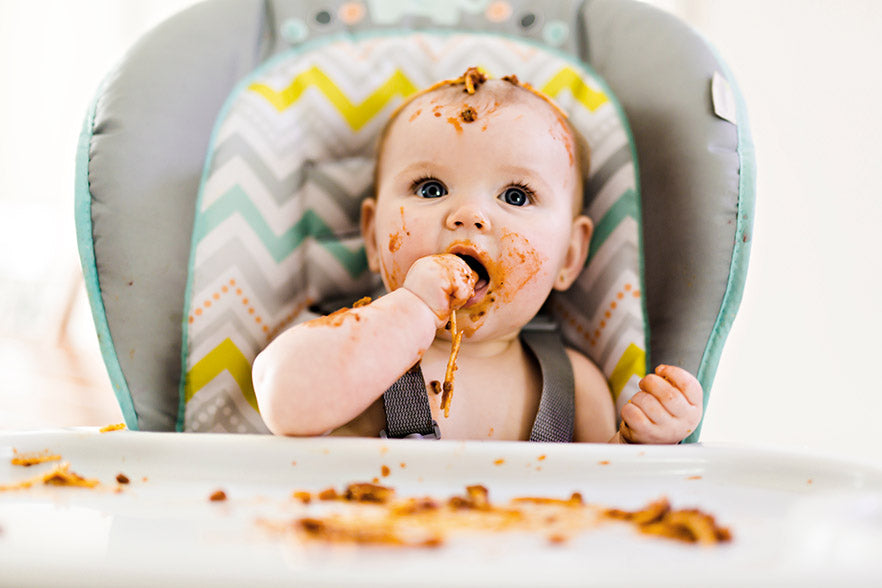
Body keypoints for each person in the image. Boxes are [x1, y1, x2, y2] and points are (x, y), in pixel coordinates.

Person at [252, 68, 702, 443]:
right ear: (372, 238)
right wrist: (412, 310)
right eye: (431, 189)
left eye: (516, 196)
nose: (469, 215)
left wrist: (639, 442)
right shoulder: (355, 352)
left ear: (569, 255)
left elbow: (601, 499)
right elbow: (283, 399)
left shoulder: (574, 384)